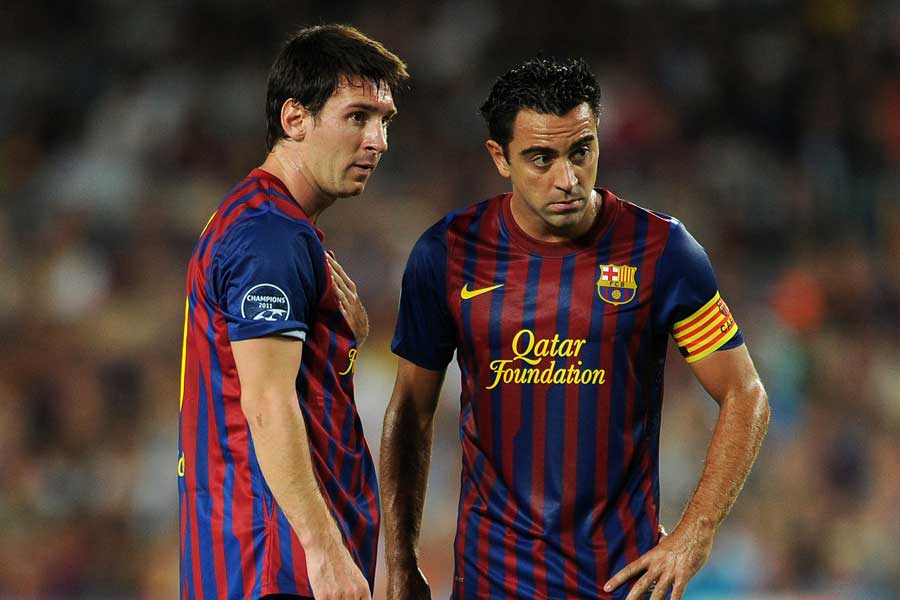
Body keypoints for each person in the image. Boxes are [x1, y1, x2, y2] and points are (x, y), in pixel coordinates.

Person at [380, 57, 770, 600]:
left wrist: (694, 535)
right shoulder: (446, 254)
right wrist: (401, 562)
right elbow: (410, 412)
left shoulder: (663, 251)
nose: (567, 179)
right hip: (492, 582)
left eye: (580, 152)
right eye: (541, 158)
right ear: (500, 157)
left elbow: (745, 394)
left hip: (619, 583)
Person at [178, 25, 408, 600]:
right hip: (274, 562)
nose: (377, 140)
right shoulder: (269, 235)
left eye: (384, 120)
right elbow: (266, 403)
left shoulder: (267, 223)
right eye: (357, 117)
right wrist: (324, 551)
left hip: (263, 558)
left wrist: (340, 342)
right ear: (295, 118)